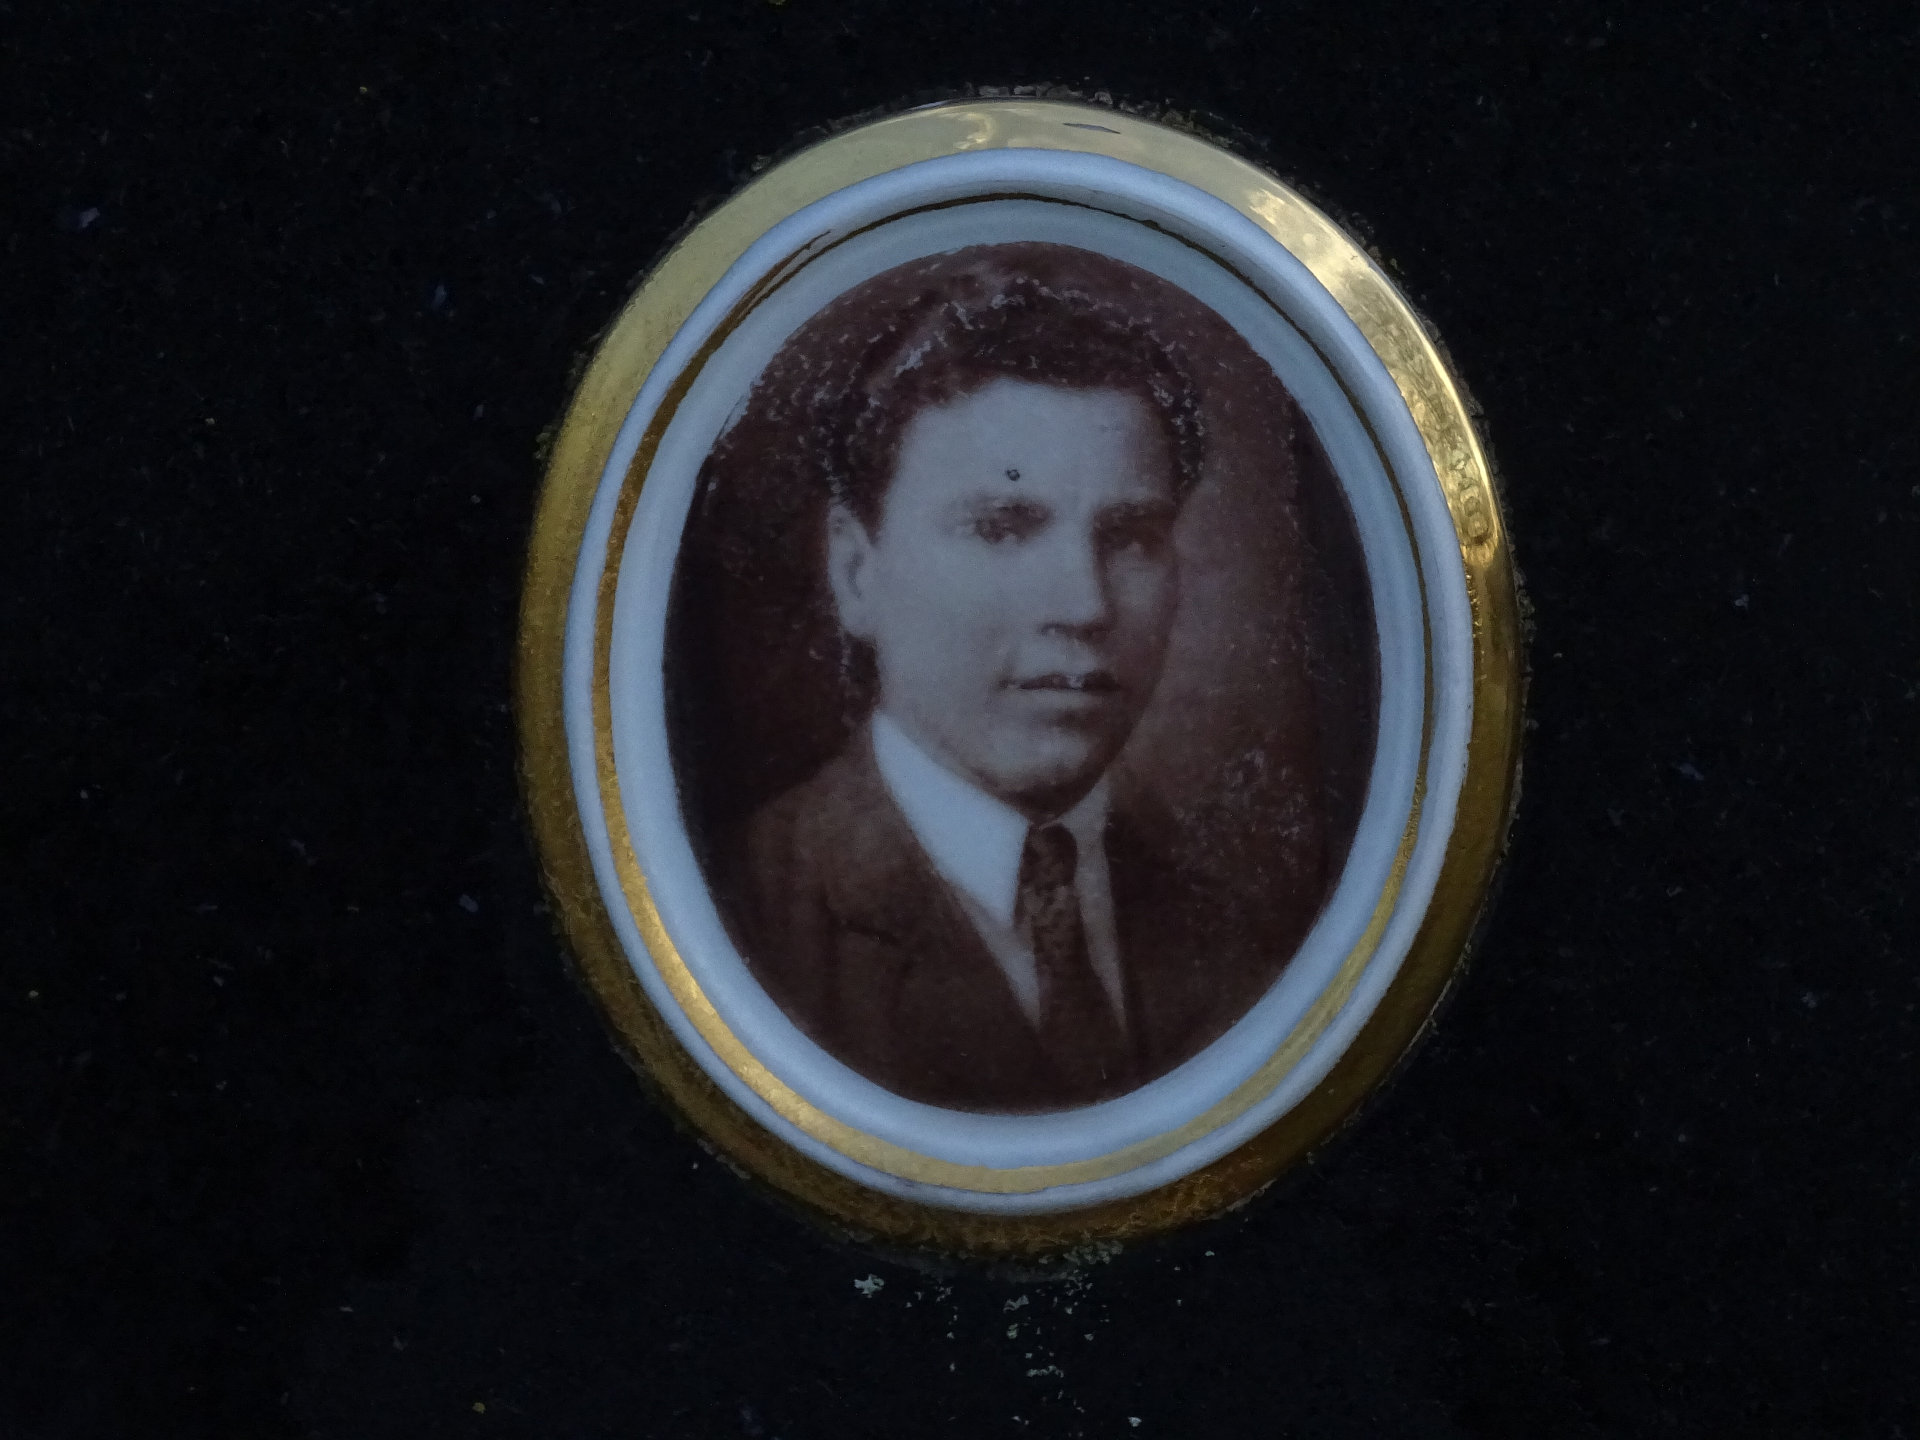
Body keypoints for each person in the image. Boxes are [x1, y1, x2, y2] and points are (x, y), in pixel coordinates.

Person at [723, 252, 1294, 1112]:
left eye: (1131, 536)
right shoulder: (742, 919)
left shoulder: (1246, 931)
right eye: (1002, 529)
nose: (1085, 604)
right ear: (856, 572)